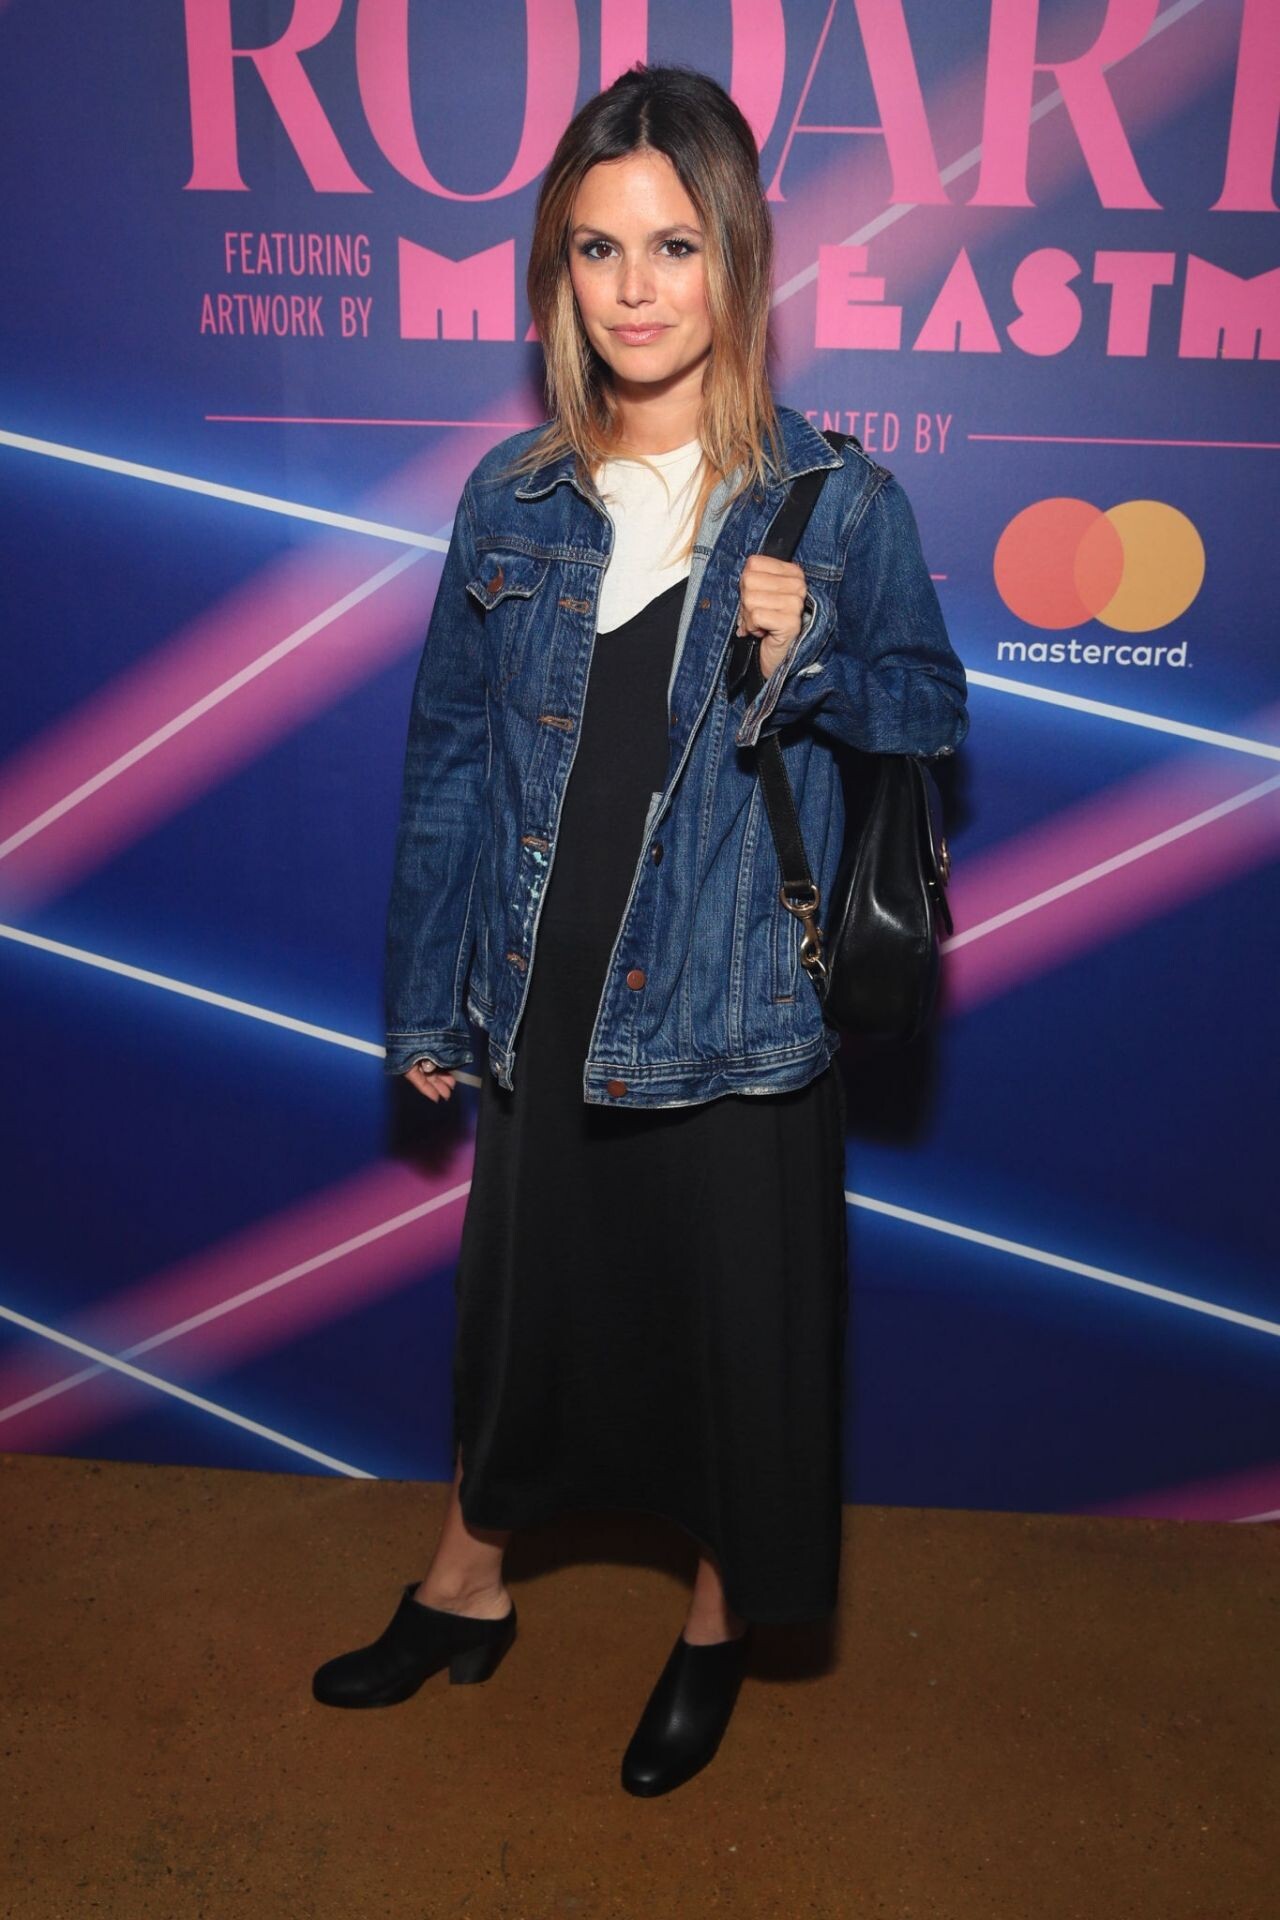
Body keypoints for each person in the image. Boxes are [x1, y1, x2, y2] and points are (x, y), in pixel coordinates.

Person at [312, 62, 969, 1797]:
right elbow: (451, 761)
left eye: (673, 245)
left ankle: (714, 1630)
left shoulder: (838, 502)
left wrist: (810, 652)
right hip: (544, 990)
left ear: (735, 257)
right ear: (560, 271)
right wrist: (427, 1000)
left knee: (732, 1351)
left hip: (740, 1012)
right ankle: (466, 1589)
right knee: (525, 1324)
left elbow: (929, 711)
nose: (633, 288)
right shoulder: (512, 497)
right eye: (597, 248)